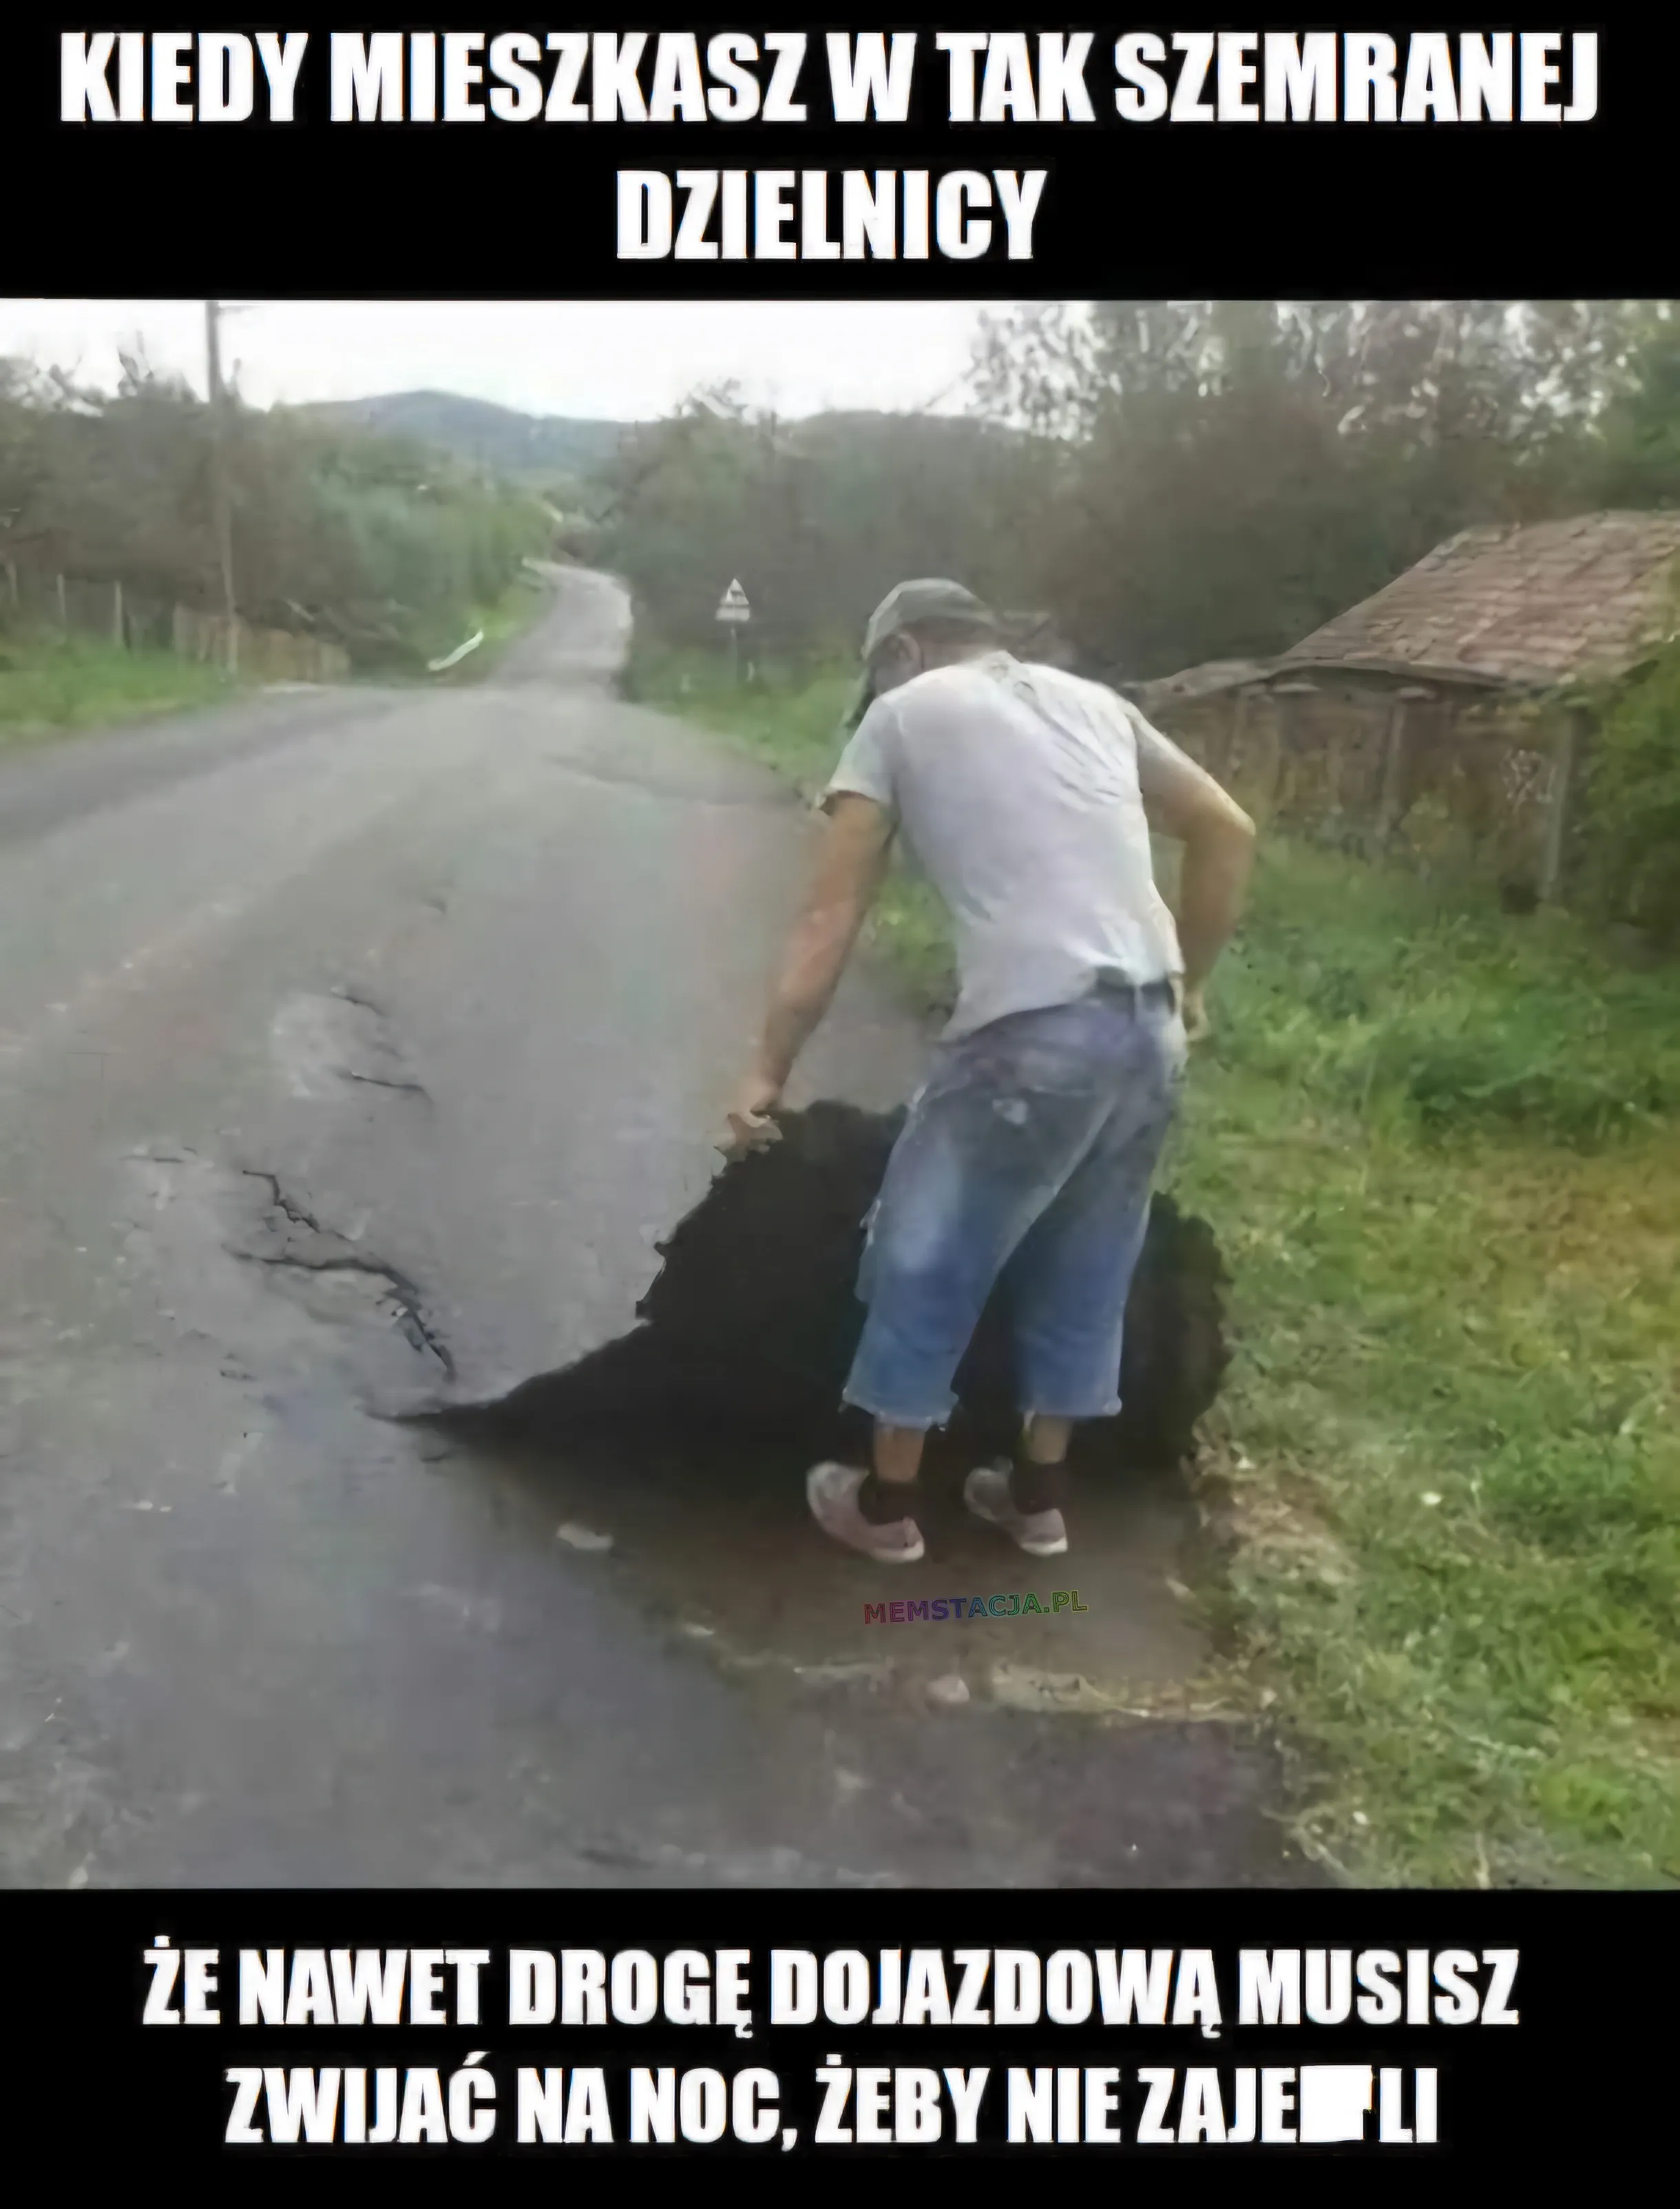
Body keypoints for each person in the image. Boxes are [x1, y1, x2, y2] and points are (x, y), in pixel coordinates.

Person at [724, 580, 1256, 1564]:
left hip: (1030, 1036)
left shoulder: (899, 715)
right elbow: (1228, 829)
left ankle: (886, 1510)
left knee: (928, 1251)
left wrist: (766, 1068)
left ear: (904, 652)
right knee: (1088, 1256)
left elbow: (826, 920)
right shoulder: (1097, 703)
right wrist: (1191, 986)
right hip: (1146, 1034)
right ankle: (1037, 1500)